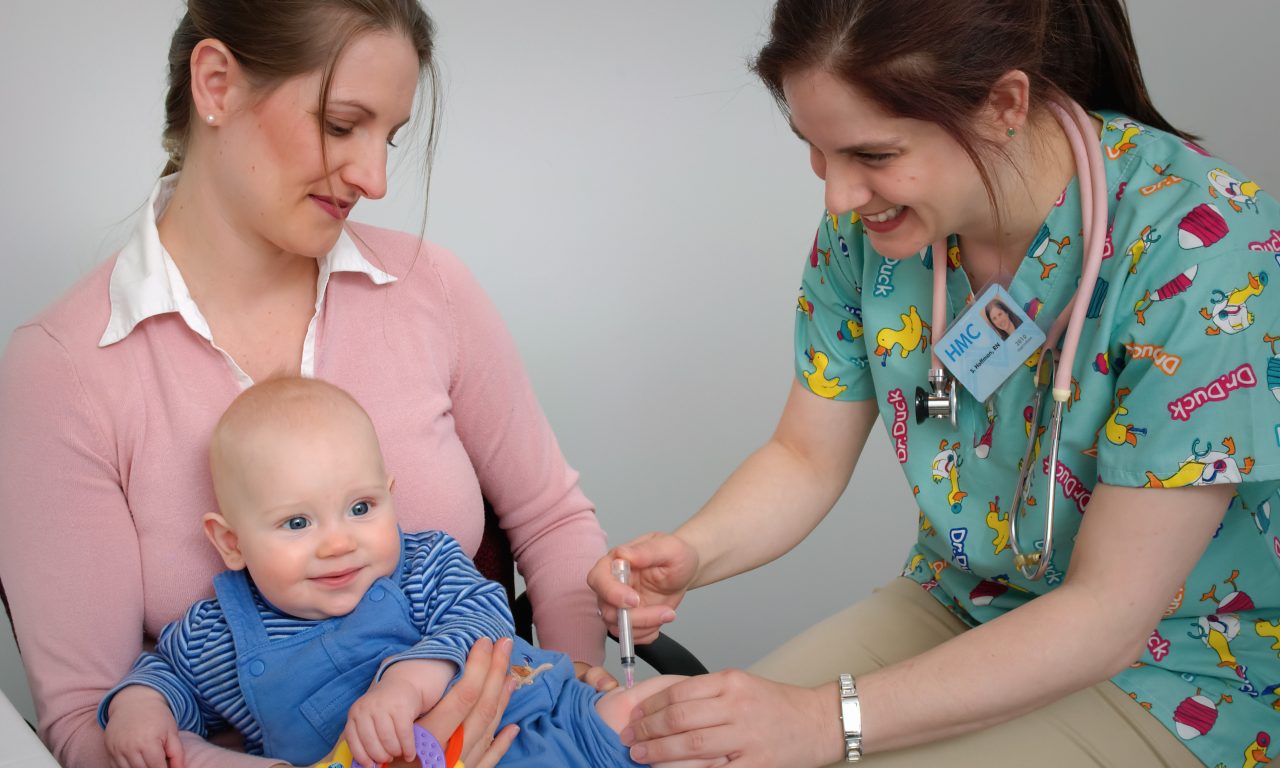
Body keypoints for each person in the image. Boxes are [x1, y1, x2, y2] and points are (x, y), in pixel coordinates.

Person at [590, 1, 1280, 766]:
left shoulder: (1202, 250)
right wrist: (693, 552)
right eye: (817, 151)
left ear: (1004, 105)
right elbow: (804, 456)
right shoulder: (876, 233)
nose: (839, 197)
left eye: (874, 155)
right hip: (961, 602)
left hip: (1172, 668)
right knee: (684, 755)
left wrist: (824, 722)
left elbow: (1109, 613)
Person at [0, 2, 608, 766]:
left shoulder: (432, 289)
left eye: (389, 136)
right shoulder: (63, 370)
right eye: (343, 123)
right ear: (216, 84)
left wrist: (575, 697)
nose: (376, 179)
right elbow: (89, 726)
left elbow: (551, 522)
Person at [100, 378, 707, 768]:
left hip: (552, 717)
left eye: (361, 508)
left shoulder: (422, 563)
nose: (340, 543)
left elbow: (482, 616)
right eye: (296, 524)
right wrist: (140, 709)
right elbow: (166, 675)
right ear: (230, 543)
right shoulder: (220, 633)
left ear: (390, 496)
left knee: (686, 711)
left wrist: (410, 681)